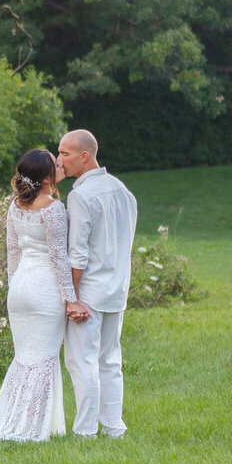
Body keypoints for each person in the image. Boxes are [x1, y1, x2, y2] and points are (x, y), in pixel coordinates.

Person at [0, 148, 89, 445]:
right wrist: (71, 298)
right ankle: (31, 427)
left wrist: (13, 287)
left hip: (19, 289)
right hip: (44, 290)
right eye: (55, 166)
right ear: (46, 177)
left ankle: (19, 419)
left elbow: (12, 252)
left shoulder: (15, 206)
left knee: (25, 358)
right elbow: (58, 258)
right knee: (43, 358)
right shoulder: (53, 209)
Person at [58, 129, 138, 439]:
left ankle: (86, 431)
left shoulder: (81, 195)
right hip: (117, 289)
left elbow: (77, 255)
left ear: (84, 156)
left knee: (83, 363)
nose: (59, 159)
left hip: (89, 291)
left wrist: (71, 297)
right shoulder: (122, 190)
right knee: (110, 361)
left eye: (65, 153)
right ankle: (115, 428)